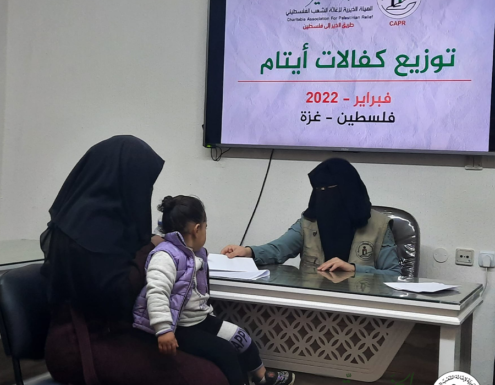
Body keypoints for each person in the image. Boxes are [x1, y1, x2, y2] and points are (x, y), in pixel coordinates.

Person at [41, 136, 228, 385]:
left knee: (219, 355)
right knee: (210, 378)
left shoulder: (112, 222)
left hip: (121, 330)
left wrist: (153, 245)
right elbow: (116, 294)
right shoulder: (81, 237)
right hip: (83, 342)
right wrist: (154, 251)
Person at [134, 195, 296, 385]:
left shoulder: (196, 253)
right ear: (197, 229)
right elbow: (156, 293)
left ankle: (262, 377)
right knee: (225, 352)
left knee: (241, 337)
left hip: (198, 319)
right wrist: (163, 330)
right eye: (206, 226)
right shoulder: (165, 256)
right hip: (178, 327)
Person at [222, 158, 401, 276]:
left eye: (331, 190)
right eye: (319, 190)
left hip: (361, 305)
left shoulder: (379, 225)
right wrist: (248, 252)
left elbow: (393, 274)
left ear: (349, 191)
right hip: (311, 301)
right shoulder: (309, 222)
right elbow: (278, 249)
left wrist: (354, 269)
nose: (324, 196)